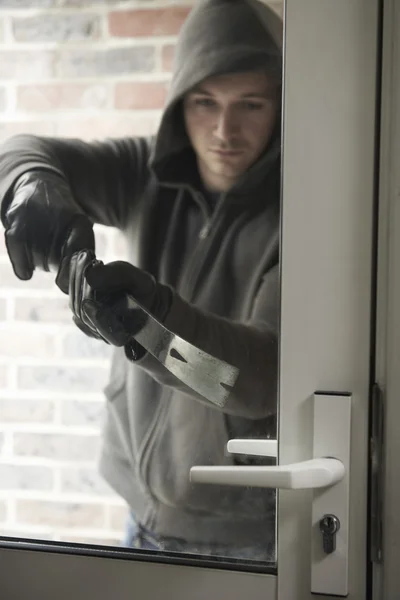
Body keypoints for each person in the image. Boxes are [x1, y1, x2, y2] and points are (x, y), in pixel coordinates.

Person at [0, 0, 282, 561]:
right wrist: (31, 185)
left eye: (250, 104)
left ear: (282, 107)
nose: (225, 130)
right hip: (137, 512)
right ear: (180, 105)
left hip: (244, 540)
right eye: (205, 103)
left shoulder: (302, 213)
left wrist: (149, 323)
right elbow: (21, 148)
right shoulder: (144, 170)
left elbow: (254, 380)